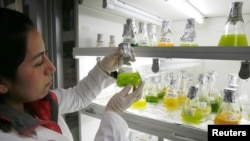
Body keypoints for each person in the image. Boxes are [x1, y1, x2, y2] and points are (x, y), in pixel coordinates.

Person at [0, 8, 145, 141]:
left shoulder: (36, 101)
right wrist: (113, 114)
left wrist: (104, 69)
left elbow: (79, 96)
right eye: (38, 62)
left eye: (46, 55)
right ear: (2, 83)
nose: (52, 67)